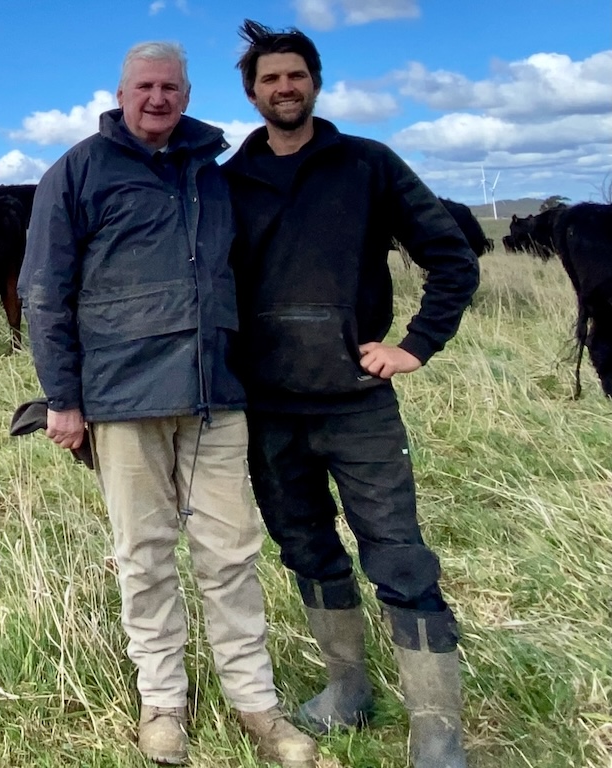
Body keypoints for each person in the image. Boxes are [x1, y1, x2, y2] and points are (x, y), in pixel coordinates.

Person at [17, 40, 316, 768]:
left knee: (231, 554)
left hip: (215, 394)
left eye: (171, 87)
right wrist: (63, 398)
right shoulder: (78, 172)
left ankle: (257, 705)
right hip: (122, 399)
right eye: (145, 86)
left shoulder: (210, 175)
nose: (158, 98)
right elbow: (45, 292)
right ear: (121, 93)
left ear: (187, 93)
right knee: (144, 557)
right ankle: (163, 704)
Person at [221, 20, 480, 768]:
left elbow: (451, 258)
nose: (284, 87)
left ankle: (437, 731)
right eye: (270, 78)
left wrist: (414, 346)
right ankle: (347, 690)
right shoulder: (231, 180)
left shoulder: (367, 165)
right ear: (252, 92)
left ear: (317, 83)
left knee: (398, 557)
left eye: (295, 75)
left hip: (357, 402)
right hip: (269, 408)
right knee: (305, 550)